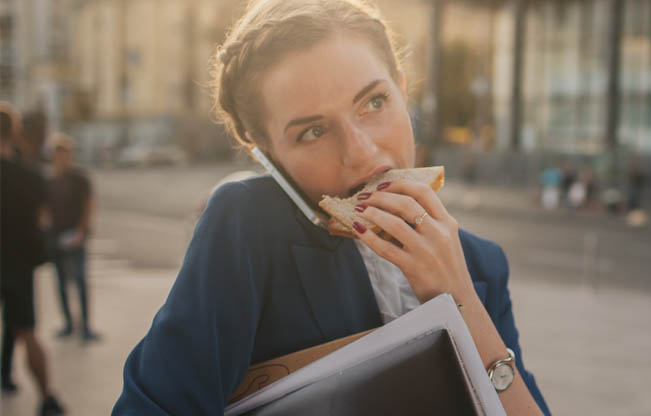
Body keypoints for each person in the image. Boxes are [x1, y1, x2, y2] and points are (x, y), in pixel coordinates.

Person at [113, 1, 549, 414]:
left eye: (374, 102)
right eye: (313, 132)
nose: (361, 153)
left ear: (401, 88)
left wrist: (460, 300)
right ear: (267, 153)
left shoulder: (481, 264)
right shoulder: (248, 230)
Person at [0, 105, 65, 414]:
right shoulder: (31, 176)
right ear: (15, 133)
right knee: (28, 332)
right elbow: (43, 220)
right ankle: (46, 397)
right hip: (18, 265)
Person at [47, 135, 100, 342]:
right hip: (56, 237)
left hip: (76, 236)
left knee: (79, 280)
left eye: (64, 154)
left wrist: (81, 231)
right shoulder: (50, 179)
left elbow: (89, 205)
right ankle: (68, 323)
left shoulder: (79, 178)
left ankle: (85, 326)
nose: (61, 158)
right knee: (61, 282)